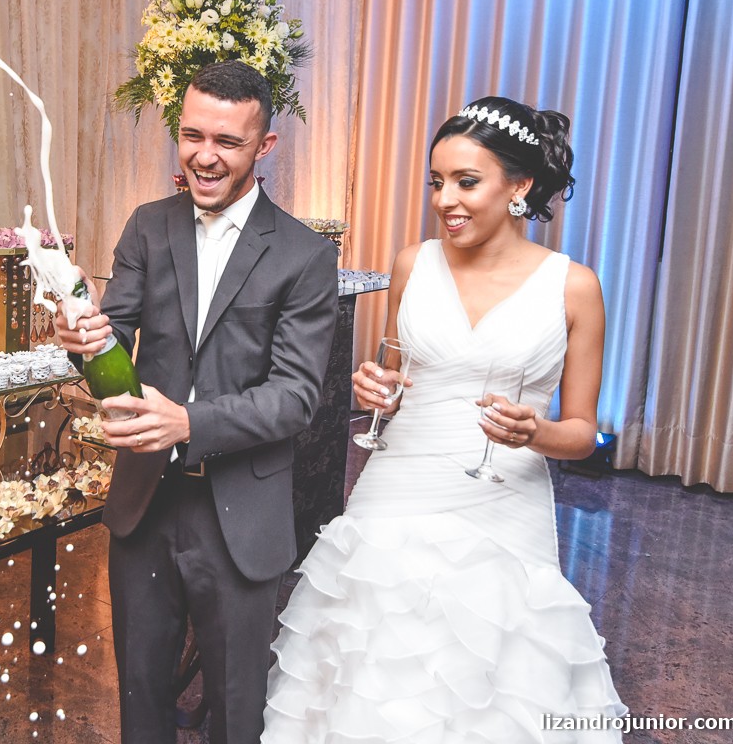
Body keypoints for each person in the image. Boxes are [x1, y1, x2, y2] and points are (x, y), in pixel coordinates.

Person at [262, 96, 627, 741]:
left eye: (466, 181)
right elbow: (397, 373)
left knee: (489, 681)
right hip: (396, 485)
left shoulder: (575, 287)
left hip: (502, 502)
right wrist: (377, 390)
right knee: (370, 665)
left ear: (520, 185)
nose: (445, 200)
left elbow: (581, 434)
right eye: (436, 182)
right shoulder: (413, 264)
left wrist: (534, 433)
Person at [54, 60, 339, 744]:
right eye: (191, 135)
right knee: (142, 697)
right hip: (145, 505)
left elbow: (297, 397)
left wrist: (189, 423)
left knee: (237, 712)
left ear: (264, 147)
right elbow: (111, 347)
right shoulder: (148, 227)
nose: (204, 156)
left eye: (227, 142)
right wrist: (84, 340)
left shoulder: (303, 256)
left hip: (239, 516)